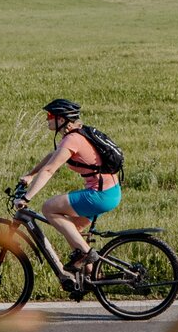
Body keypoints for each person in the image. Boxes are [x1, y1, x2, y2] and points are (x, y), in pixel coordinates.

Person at [13, 99, 122, 272]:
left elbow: (49, 170)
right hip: (110, 192)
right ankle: (93, 277)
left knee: (49, 208)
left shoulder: (72, 140)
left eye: (50, 116)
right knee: (74, 230)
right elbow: (53, 156)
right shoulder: (77, 135)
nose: (47, 119)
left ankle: (87, 254)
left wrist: (26, 198)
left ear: (61, 120)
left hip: (100, 195)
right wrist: (31, 175)